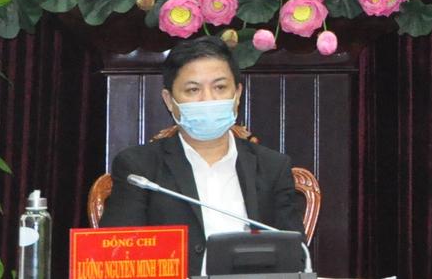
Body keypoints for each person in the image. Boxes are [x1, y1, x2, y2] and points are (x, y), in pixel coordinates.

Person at [100, 37, 303, 276]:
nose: (208, 99)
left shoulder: (272, 167)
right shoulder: (139, 168)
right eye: (193, 90)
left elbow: (296, 257)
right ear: (169, 100)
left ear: (237, 94)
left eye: (220, 87)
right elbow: (118, 257)